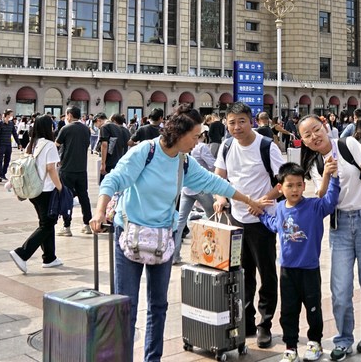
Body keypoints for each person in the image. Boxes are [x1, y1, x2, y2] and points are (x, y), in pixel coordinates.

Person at [91, 104, 267, 362]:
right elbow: (113, 180)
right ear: (179, 134)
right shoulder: (146, 152)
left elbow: (215, 182)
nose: (198, 142)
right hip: (131, 234)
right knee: (126, 306)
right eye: (195, 137)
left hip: (162, 237)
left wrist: (248, 200)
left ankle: (153, 358)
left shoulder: (184, 162)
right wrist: (99, 211)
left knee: (158, 306)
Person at [296, 114, 361, 360]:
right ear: (303, 142)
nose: (314, 136)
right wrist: (327, 173)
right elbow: (322, 198)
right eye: (307, 135)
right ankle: (344, 339)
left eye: (316, 129)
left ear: (325, 127)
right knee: (340, 289)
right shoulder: (315, 164)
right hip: (340, 227)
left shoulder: (348, 144)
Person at [213, 101, 286, 349]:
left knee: (266, 274)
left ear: (251, 121)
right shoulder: (226, 146)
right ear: (226, 123)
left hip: (263, 221)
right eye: (231, 122)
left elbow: (283, 182)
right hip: (236, 221)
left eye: (241, 121)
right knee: (241, 274)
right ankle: (246, 320)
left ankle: (265, 324)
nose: (236, 127)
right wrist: (220, 198)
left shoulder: (266, 146)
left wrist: (263, 202)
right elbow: (218, 179)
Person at [260, 162, 340, 362]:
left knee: (313, 308)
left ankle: (315, 343)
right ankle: (290, 347)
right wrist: (261, 214)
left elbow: (330, 201)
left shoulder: (314, 206)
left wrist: (333, 178)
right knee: (288, 310)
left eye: (298, 184)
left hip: (309, 270)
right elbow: (274, 226)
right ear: (280, 188)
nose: (294, 189)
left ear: (304, 186)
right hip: (287, 271)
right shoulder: (279, 208)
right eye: (289, 185)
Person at [8, 114, 65, 273]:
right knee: (47, 225)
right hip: (46, 190)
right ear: (49, 127)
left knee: (46, 222)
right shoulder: (49, 145)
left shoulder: (32, 144)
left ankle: (49, 257)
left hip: (33, 190)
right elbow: (51, 169)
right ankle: (22, 253)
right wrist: (60, 187)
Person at [172, 129, 218, 265]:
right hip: (202, 188)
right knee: (213, 220)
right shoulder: (202, 147)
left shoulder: (181, 148)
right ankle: (213, 254)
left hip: (186, 188)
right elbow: (213, 165)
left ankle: (174, 256)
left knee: (180, 221)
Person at [56, 107, 93, 237]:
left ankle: (67, 226)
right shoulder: (86, 129)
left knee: (67, 197)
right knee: (84, 196)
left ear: (70, 115)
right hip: (82, 168)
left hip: (67, 169)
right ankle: (87, 224)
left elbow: (57, 144)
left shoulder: (65, 129)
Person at [99, 113, 131, 183]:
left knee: (107, 184)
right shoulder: (127, 131)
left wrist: (103, 163)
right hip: (122, 162)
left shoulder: (108, 128)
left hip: (110, 162)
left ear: (113, 121)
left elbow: (105, 145)